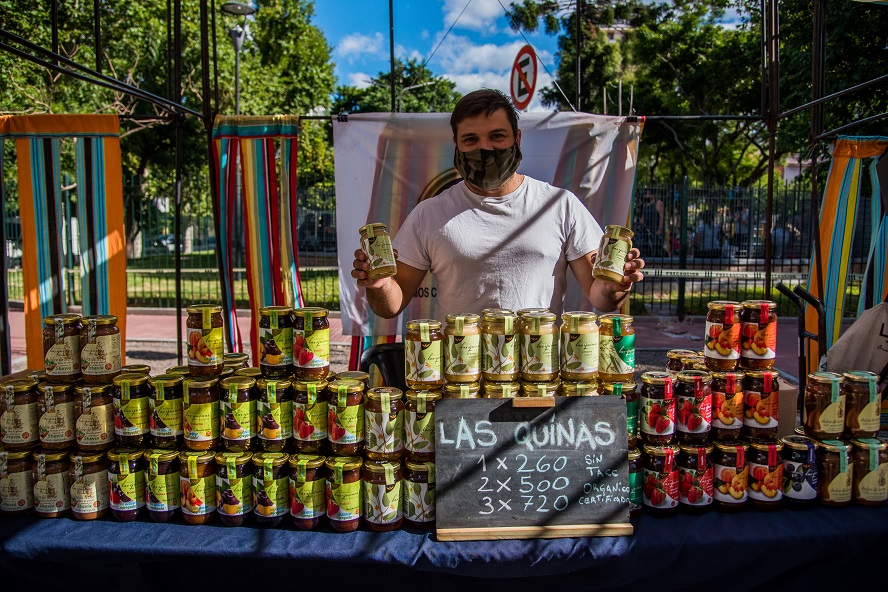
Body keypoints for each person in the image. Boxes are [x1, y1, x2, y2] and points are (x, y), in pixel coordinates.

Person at [351, 89, 645, 320]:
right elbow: (392, 303)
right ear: (457, 146)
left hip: (537, 379)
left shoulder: (559, 205)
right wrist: (379, 285)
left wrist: (615, 286)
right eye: (471, 139)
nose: (485, 148)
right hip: (460, 380)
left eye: (497, 136)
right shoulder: (429, 214)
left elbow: (600, 296)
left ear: (517, 139)